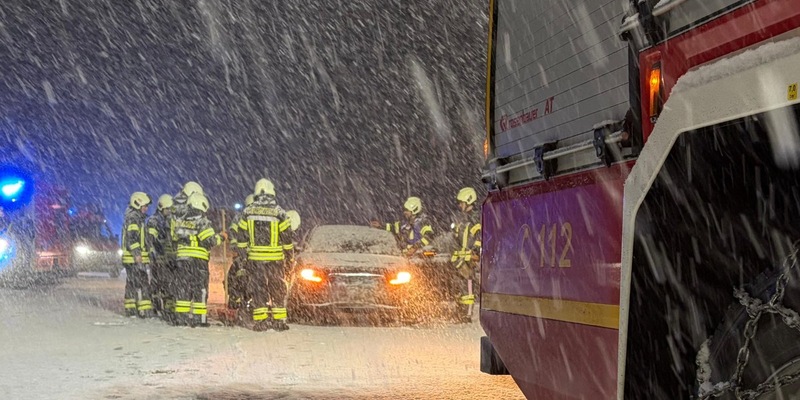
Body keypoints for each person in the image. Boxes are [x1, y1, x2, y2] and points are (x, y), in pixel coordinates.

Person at [238, 179, 293, 331]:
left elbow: (241, 237)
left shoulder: (248, 212)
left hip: (255, 259)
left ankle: (261, 321)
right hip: (275, 259)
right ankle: (279, 321)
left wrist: (243, 256)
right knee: (277, 288)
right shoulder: (279, 212)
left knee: (258, 289)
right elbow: (287, 238)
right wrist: (289, 257)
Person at [172, 192, 221, 327]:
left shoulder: (179, 221)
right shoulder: (202, 221)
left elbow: (174, 238)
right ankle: (199, 319)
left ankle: (181, 318)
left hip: (182, 261)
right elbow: (209, 241)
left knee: (183, 288)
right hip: (198, 261)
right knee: (200, 289)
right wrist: (221, 237)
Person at [450, 187, 481, 322]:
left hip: (468, 259)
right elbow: (456, 239)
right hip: (461, 259)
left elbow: (479, 237)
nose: (459, 205)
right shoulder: (462, 220)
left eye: (461, 203)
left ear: (468, 201)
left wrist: (475, 253)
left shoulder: (475, 219)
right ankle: (460, 312)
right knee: (460, 287)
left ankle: (467, 314)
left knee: (468, 286)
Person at [121, 192, 154, 318]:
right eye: (144, 206)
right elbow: (132, 239)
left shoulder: (135, 218)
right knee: (141, 282)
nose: (146, 208)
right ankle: (143, 310)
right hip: (133, 258)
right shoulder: (134, 219)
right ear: (137, 204)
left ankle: (131, 309)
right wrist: (137, 254)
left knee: (132, 283)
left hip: (131, 258)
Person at [146, 194, 175, 319]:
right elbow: (150, 239)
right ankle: (156, 306)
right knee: (157, 282)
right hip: (158, 257)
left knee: (168, 282)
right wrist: (155, 252)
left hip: (168, 258)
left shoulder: (169, 219)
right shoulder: (154, 221)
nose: (169, 212)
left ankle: (168, 307)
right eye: (168, 209)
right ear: (161, 208)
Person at [226, 194, 253, 314]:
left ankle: (238, 300)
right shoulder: (244, 217)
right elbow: (232, 232)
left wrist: (235, 245)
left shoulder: (240, 217)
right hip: (252, 254)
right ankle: (242, 301)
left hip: (247, 254)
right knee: (241, 277)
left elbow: (232, 232)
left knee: (236, 276)